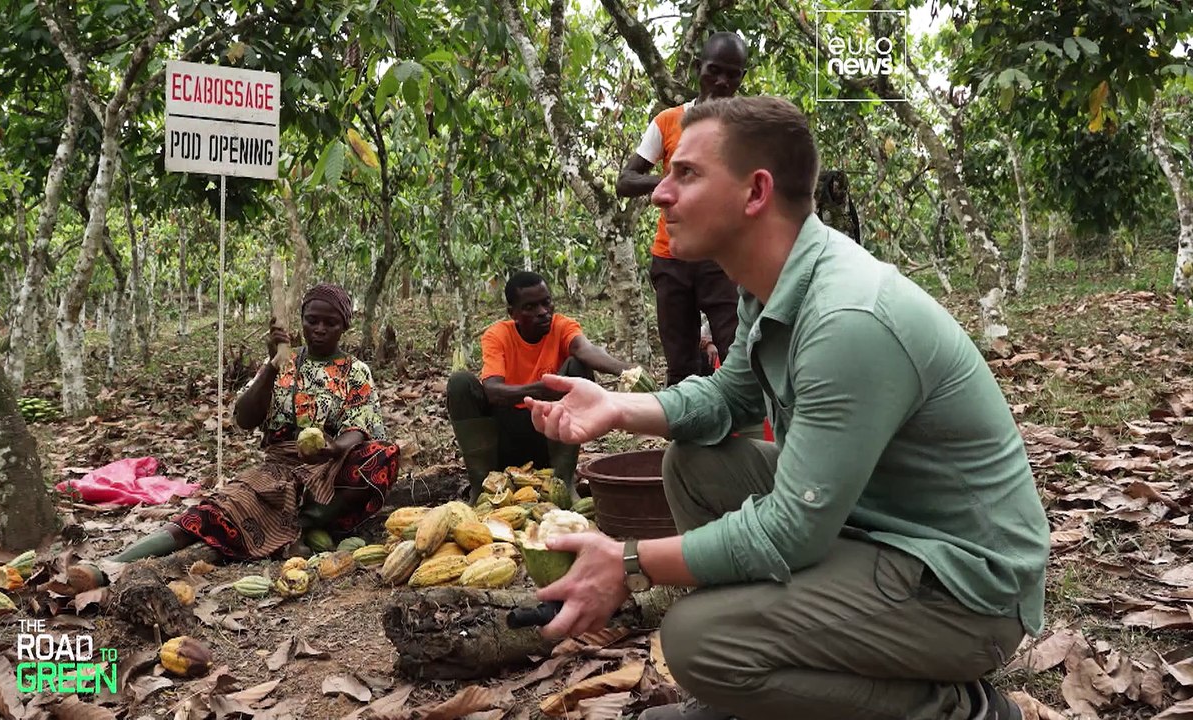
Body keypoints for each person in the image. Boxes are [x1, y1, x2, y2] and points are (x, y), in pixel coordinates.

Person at [522, 97, 1050, 720]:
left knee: (695, 639)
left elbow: (792, 529)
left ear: (755, 193)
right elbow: (726, 399)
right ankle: (769, 678)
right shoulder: (771, 285)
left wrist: (631, 561)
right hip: (873, 527)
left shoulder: (845, 319)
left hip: (965, 589)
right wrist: (615, 405)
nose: (660, 193)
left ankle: (955, 710)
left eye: (685, 174)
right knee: (693, 465)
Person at [70, 283, 400, 588]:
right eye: (312, 320)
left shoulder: (355, 371)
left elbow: (358, 427)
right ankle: (109, 565)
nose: (320, 329)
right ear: (302, 321)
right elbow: (245, 418)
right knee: (210, 513)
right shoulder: (284, 363)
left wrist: (331, 449)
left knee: (381, 456)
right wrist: (272, 365)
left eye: (330, 322)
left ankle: (301, 522)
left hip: (331, 467)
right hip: (279, 468)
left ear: (344, 326)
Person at [616, 32, 748, 387]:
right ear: (697, 69)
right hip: (671, 256)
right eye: (714, 70)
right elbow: (626, 181)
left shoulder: (747, 127)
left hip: (722, 257)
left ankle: (743, 438)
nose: (722, 81)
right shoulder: (668, 121)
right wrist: (676, 180)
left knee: (738, 354)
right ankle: (687, 438)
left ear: (742, 78)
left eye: (732, 74)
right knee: (680, 365)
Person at [447, 271, 637, 502]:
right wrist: (541, 389)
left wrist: (627, 370)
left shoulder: (562, 326)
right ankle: (482, 487)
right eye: (530, 307)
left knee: (578, 367)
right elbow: (493, 390)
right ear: (513, 314)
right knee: (460, 383)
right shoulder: (498, 335)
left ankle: (564, 481)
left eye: (546, 303)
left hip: (549, 436)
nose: (543, 312)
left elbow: (585, 350)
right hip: (504, 436)